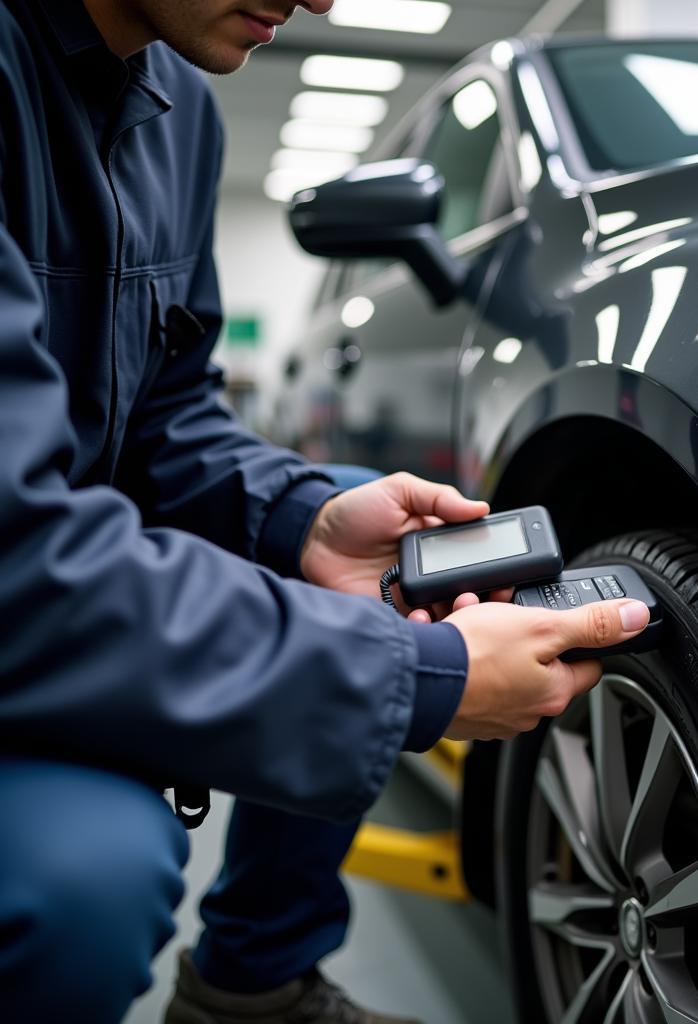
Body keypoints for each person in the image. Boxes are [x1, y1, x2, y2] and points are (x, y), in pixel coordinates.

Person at [0, 1, 651, 1022]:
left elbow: (167, 418)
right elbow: (15, 549)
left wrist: (306, 517)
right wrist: (420, 677)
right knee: (90, 874)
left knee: (355, 544)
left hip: (48, 590)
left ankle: (250, 980)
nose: (324, 2)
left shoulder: (181, 112)